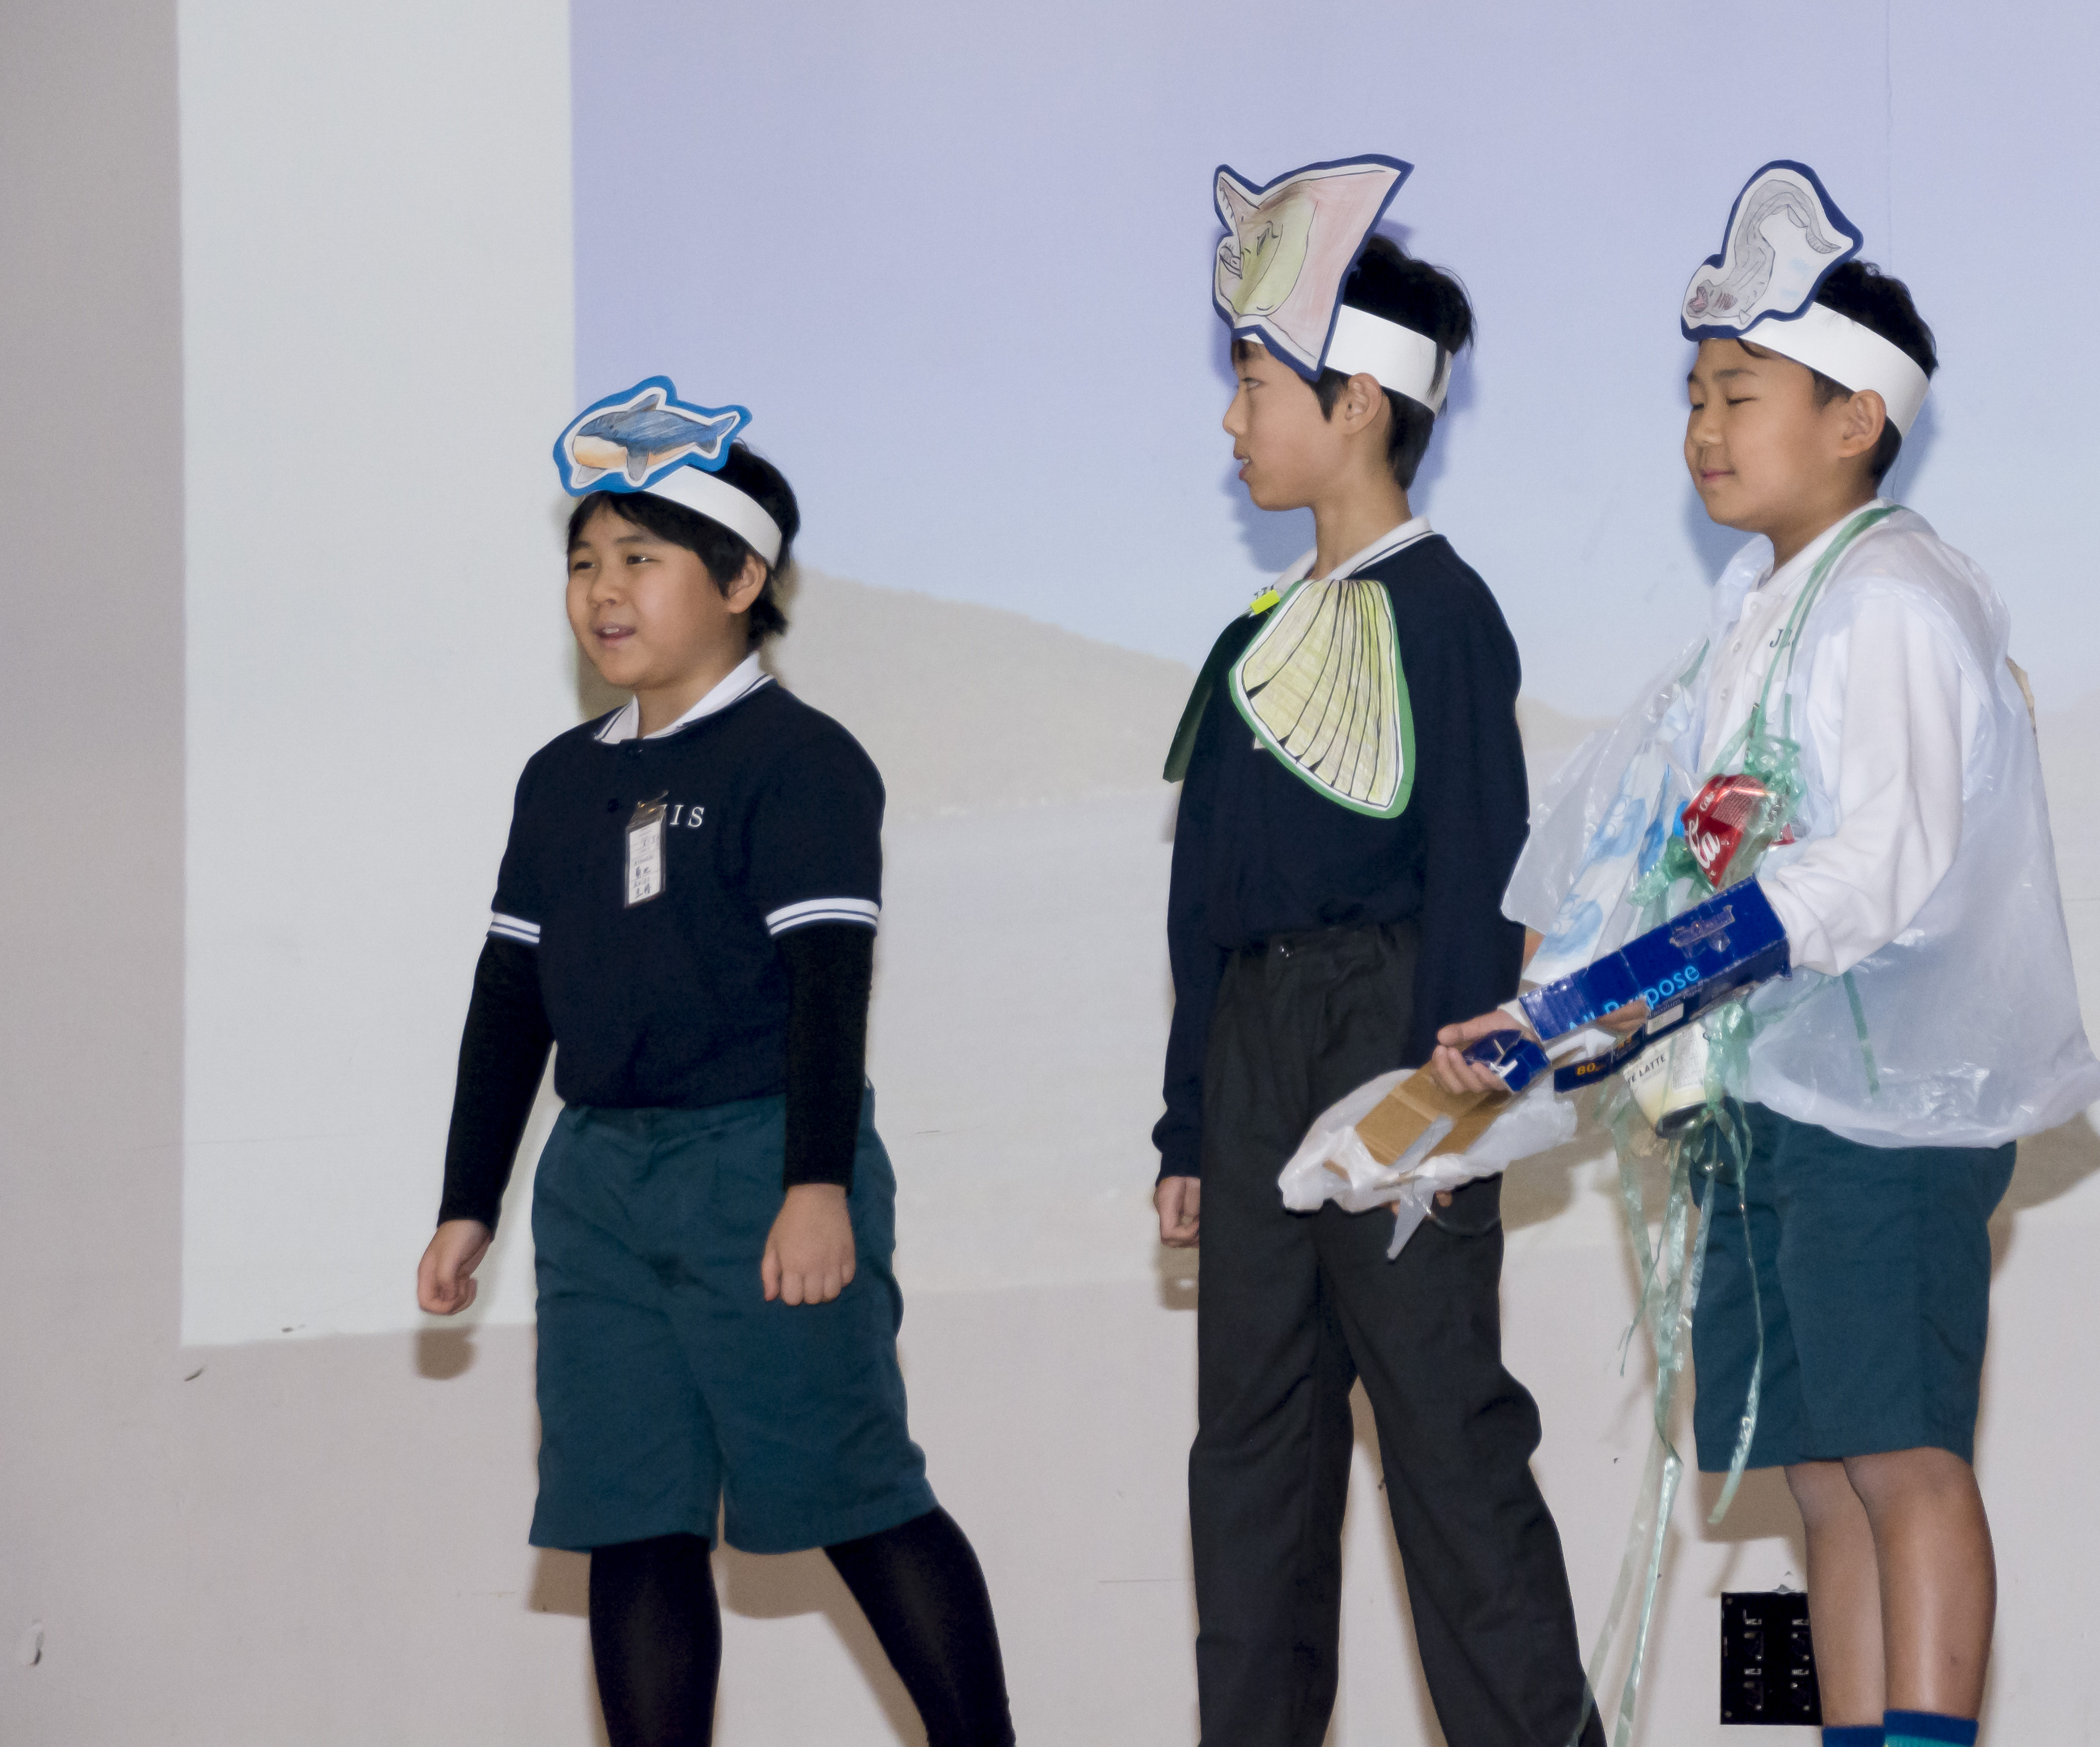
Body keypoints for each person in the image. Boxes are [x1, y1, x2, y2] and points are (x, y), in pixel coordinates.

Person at [1435, 162, 2100, 1747]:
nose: (1704, 428)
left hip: (1882, 1111)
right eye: (1693, 396)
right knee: (1817, 1473)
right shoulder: (1751, 618)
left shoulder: (1893, 601)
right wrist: (1557, 1014)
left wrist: (1616, 994)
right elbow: (1659, 855)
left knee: (1903, 1460)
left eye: (1741, 393)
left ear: (1857, 418)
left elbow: (1866, 875)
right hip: (1761, 1108)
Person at [415, 378, 1016, 1747]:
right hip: (599, 1192)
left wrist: (816, 1186)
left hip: (759, 1165)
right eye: (584, 561)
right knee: (631, 1524)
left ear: (743, 581)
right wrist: (467, 1203)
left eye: (641, 559)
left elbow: (828, 988)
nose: (603, 591)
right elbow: (509, 1004)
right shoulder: (559, 781)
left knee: (856, 1496)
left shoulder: (801, 761)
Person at [1156, 156, 1604, 1747]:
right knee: (1251, 1459)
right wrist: (1189, 1121)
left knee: (1445, 1442)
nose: (1232, 422)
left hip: (1396, 1042)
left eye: (1254, 386)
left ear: (1356, 405)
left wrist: (1449, 1103)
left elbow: (1482, 866)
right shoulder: (1255, 641)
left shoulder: (1444, 612)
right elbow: (1202, 907)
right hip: (1256, 1051)